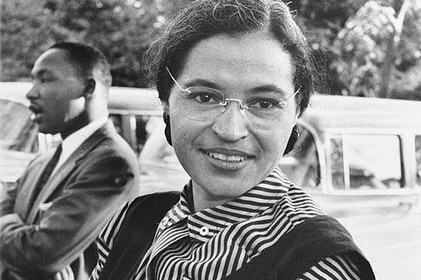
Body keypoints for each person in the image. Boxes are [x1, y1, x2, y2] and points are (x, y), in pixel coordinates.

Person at [90, 1, 375, 279]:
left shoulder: (316, 264)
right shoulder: (132, 222)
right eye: (205, 97)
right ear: (166, 103)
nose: (230, 130)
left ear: (297, 113)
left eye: (264, 103)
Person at [0, 42, 139, 280]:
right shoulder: (43, 160)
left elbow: (39, 254)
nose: (31, 92)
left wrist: (11, 224)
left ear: (88, 87)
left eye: (45, 80)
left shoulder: (112, 162)